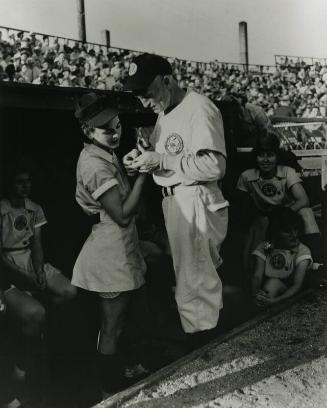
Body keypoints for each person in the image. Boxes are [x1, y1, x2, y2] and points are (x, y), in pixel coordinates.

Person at [123, 53, 229, 342]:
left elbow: (214, 166)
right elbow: (164, 155)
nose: (144, 101)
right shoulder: (165, 112)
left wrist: (161, 160)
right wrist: (143, 154)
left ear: (166, 80)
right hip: (177, 199)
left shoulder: (199, 108)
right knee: (193, 279)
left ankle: (204, 351)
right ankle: (208, 346)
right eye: (138, 95)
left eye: (147, 93)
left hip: (196, 198)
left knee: (195, 282)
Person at [72, 92, 147, 395]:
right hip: (110, 246)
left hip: (118, 244)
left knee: (117, 322)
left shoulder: (102, 152)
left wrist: (130, 167)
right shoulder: (93, 163)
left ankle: (120, 374)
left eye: (117, 125)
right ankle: (108, 392)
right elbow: (123, 214)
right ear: (88, 132)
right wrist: (144, 172)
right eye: (106, 129)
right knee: (111, 326)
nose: (115, 133)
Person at [0, 166, 77, 393]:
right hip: (8, 263)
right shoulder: (2, 210)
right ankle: (23, 364)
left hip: (29, 259)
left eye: (28, 181)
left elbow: (37, 245)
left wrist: (40, 271)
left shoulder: (34, 209)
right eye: (19, 182)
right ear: (9, 184)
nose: (25, 186)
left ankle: (44, 326)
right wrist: (27, 278)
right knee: (35, 313)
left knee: (69, 291)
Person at [236, 129, 323, 272]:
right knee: (260, 223)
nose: (265, 160)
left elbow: (303, 199)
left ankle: (318, 262)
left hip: (287, 213)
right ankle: (253, 270)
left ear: (277, 156)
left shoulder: (286, 171)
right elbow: (243, 206)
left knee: (306, 212)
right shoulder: (247, 176)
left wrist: (284, 213)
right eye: (260, 155)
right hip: (264, 216)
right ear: (255, 156)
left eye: (270, 155)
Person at [252, 207, 312, 306]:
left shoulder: (302, 251)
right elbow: (257, 275)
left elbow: (297, 285)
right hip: (265, 289)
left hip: (288, 292)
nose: (294, 235)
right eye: (287, 231)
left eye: (296, 229)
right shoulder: (266, 246)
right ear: (276, 232)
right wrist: (255, 293)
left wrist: (276, 300)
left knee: (273, 284)